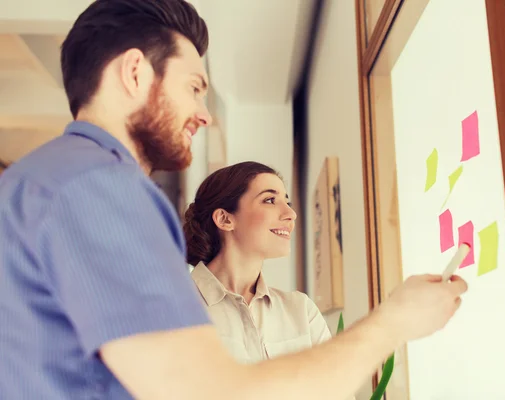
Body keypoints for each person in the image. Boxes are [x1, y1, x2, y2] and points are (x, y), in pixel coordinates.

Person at [0, 1, 468, 399]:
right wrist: (394, 323)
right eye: (195, 87)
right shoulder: (101, 187)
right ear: (136, 72)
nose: (203, 114)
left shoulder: (43, 181)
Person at [183, 161, 334, 364]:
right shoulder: (173, 307)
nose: (291, 214)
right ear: (225, 219)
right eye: (270, 200)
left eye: (287, 202)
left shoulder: (301, 311)